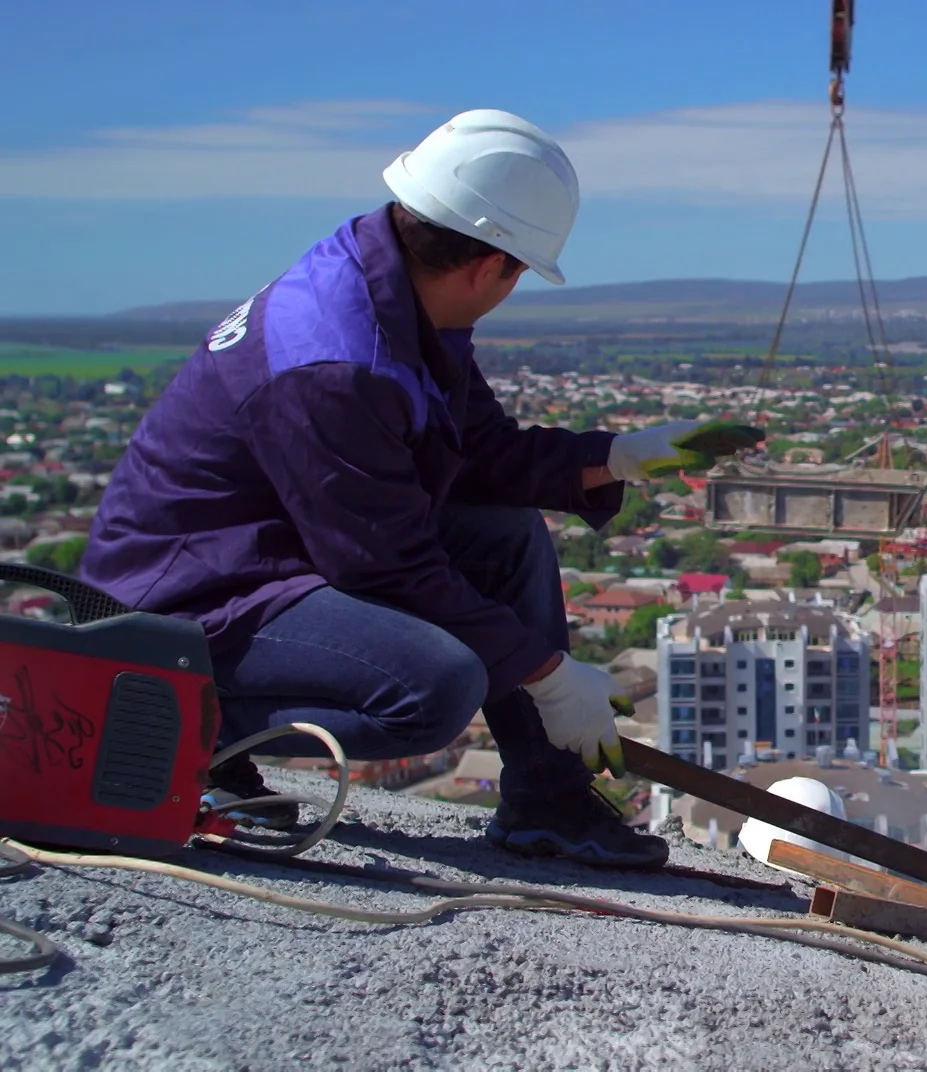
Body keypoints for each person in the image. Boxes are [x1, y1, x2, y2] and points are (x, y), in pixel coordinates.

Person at [80, 110, 761, 869]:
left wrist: (619, 456)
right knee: (432, 686)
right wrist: (548, 674)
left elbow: (478, 453)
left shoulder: (397, 295)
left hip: (274, 552)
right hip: (192, 600)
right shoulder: (338, 360)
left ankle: (548, 802)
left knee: (505, 536)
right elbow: (387, 566)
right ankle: (181, 729)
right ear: (489, 267)